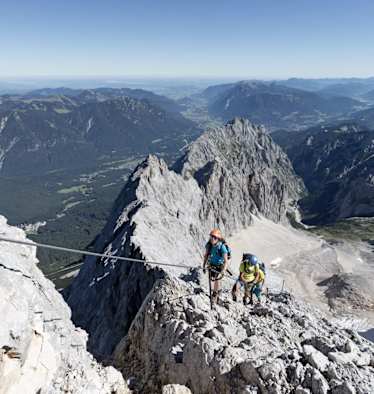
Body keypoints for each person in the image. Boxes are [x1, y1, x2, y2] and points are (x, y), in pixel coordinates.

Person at [203, 229, 229, 304]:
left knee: (217, 279)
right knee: (212, 279)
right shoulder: (209, 245)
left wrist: (223, 270)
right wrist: (204, 265)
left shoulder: (222, 247)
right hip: (212, 264)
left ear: (218, 239)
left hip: (219, 265)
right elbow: (206, 256)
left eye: (215, 237)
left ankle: (215, 294)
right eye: (211, 237)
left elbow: (226, 261)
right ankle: (217, 291)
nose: (212, 239)